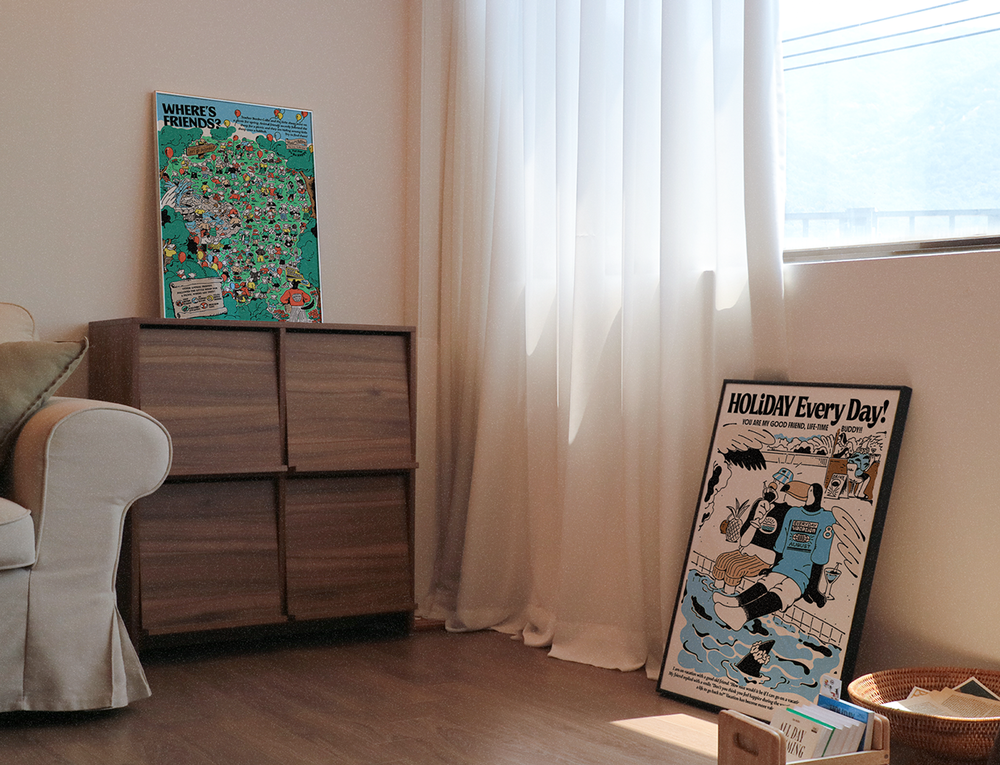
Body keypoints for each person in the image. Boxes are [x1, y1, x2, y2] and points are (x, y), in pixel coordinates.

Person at [713, 482, 835, 631]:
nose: (809, 494)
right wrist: (774, 567)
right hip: (784, 564)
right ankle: (736, 601)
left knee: (785, 591)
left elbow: (820, 556)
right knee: (767, 581)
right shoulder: (793, 513)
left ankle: (743, 615)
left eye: (812, 491)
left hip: (803, 571)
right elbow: (781, 543)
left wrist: (812, 587)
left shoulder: (826, 518)